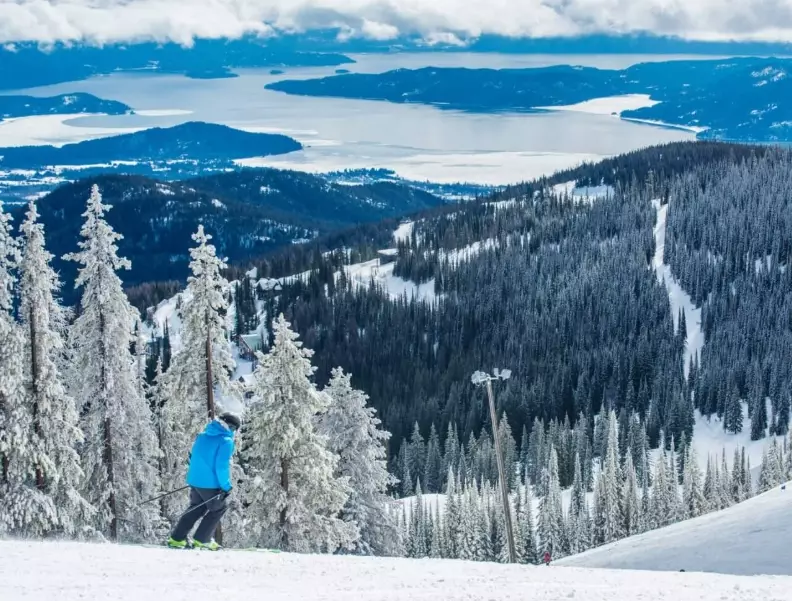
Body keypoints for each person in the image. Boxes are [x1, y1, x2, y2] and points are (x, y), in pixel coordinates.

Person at [167, 412, 241, 550]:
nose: (234, 432)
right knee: (219, 508)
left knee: (196, 508)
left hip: (195, 480)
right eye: (234, 429)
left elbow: (194, 456)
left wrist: (196, 478)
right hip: (210, 484)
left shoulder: (202, 436)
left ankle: (177, 538)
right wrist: (226, 486)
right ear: (230, 427)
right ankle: (202, 539)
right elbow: (221, 466)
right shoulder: (225, 441)